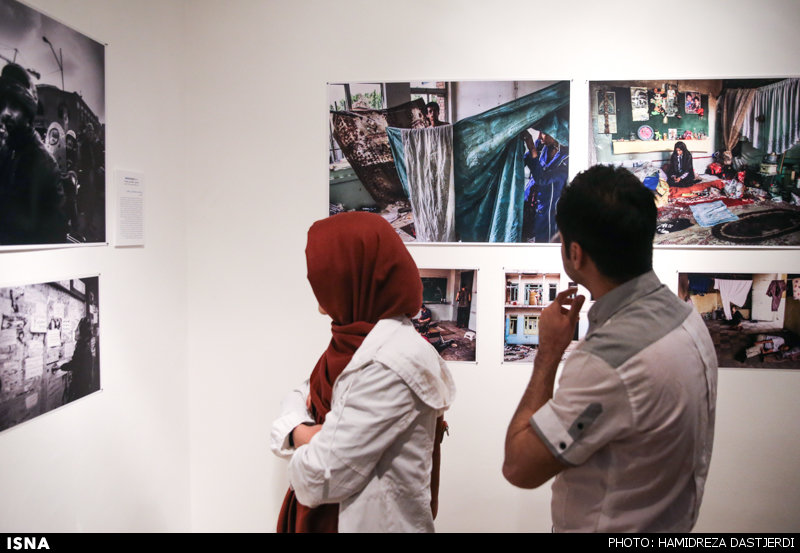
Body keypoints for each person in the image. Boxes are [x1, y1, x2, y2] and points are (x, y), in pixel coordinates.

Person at [503, 165, 718, 532]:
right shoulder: (687, 320)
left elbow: (519, 467)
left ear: (575, 253)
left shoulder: (608, 363)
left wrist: (548, 354)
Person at [271, 212, 455, 533]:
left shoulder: (391, 361)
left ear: (349, 276)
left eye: (324, 275)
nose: (317, 288)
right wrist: (306, 432)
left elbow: (320, 477)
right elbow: (298, 396)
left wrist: (296, 433)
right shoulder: (350, 345)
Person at [0, 63, 66, 245]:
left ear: (28, 111)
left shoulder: (43, 164)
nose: (5, 113)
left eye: (14, 105)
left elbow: (54, 237)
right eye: (2, 104)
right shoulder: (7, 150)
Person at [521, 131, 569, 243]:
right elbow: (522, 161)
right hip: (528, 206)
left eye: (544, 132)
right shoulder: (543, 147)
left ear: (555, 133)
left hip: (546, 214)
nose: (540, 136)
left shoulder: (568, 158)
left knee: (542, 244)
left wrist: (532, 149)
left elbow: (542, 179)